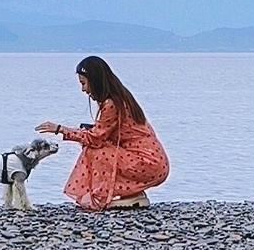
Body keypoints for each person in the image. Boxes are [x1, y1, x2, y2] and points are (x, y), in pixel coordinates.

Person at [36, 55, 169, 211]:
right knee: (100, 145)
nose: (83, 89)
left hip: (148, 163)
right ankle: (131, 195)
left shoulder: (111, 103)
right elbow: (104, 133)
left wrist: (60, 129)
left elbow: (95, 139)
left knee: (95, 150)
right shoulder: (121, 97)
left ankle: (100, 198)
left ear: (95, 81)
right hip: (154, 162)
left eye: (84, 83)